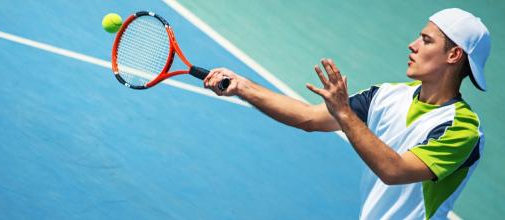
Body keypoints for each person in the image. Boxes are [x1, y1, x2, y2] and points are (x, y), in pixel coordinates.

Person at [203, 8, 490, 220]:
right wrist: (243, 86)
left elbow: (394, 170)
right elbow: (309, 117)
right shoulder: (387, 96)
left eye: (426, 41)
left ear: (454, 56)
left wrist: (344, 112)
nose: (412, 44)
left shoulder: (462, 129)